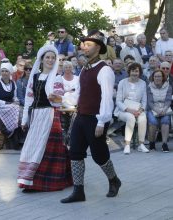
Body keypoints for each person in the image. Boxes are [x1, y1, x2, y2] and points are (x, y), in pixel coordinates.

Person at [61, 30, 121, 203]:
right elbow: (79, 94)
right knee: (75, 152)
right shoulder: (84, 70)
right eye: (83, 45)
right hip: (80, 116)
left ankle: (114, 180)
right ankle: (78, 191)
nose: (84, 48)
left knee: (99, 155)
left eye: (88, 45)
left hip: (96, 118)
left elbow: (107, 97)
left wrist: (102, 121)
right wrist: (62, 99)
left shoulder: (105, 70)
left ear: (98, 48)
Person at [17, 45, 72, 192]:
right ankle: (30, 180)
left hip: (50, 115)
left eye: (53, 57)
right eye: (47, 57)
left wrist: (56, 98)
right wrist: (24, 120)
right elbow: (29, 100)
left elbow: (60, 98)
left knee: (47, 149)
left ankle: (41, 182)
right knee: (33, 148)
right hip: (36, 116)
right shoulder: (34, 77)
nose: (50, 60)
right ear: (41, 59)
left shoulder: (57, 78)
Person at [114, 63, 149, 154]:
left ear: (140, 72)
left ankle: (141, 144)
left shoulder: (143, 83)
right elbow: (118, 101)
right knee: (130, 117)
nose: (134, 73)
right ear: (129, 72)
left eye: (136, 71)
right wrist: (129, 110)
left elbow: (144, 100)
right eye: (133, 71)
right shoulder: (122, 82)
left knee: (143, 117)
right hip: (123, 110)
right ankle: (127, 144)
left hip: (138, 109)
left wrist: (140, 110)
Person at [0, 63, 20, 149]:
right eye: (2, 71)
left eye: (6, 71)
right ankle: (7, 133)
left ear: (10, 72)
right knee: (15, 109)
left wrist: (16, 101)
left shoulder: (13, 83)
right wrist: (9, 103)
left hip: (11, 107)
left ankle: (14, 138)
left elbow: (15, 97)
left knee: (18, 109)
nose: (4, 73)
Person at [147, 69, 172, 152]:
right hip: (153, 108)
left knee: (165, 121)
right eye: (156, 76)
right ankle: (152, 143)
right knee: (153, 122)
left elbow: (168, 100)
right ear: (153, 78)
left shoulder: (168, 86)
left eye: (159, 76)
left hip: (165, 108)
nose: (157, 78)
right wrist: (157, 110)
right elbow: (150, 102)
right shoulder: (149, 87)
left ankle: (164, 144)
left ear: (163, 77)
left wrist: (164, 109)